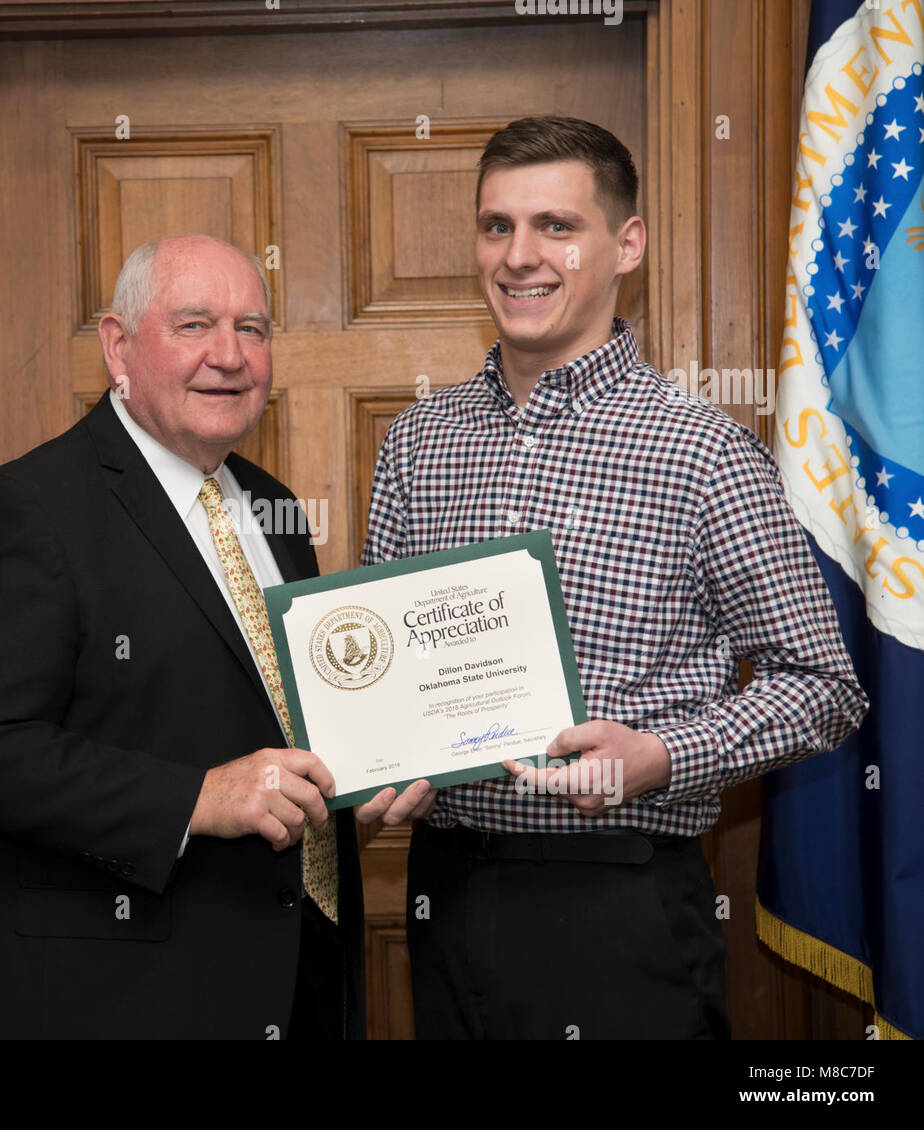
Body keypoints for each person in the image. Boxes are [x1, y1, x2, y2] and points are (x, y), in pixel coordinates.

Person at [356, 116, 868, 1040]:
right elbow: (392, 677)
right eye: (496, 226)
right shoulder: (416, 444)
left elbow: (823, 690)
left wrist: (661, 757)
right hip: (444, 892)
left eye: (557, 225)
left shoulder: (702, 450)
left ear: (626, 243)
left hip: (617, 907)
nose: (520, 256)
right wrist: (388, 760)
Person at [0, 234, 363, 1039]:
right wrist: (194, 798)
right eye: (195, 325)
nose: (230, 355)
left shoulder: (274, 508)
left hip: (292, 981)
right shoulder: (28, 509)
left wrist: (381, 766)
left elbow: (282, 723)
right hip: (107, 998)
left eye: (253, 329)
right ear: (117, 347)